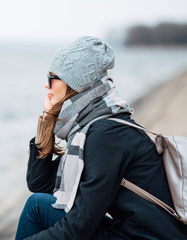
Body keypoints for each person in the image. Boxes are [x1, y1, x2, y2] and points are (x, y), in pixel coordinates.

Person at [15, 36, 187, 239]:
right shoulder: (93, 128)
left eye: (51, 77)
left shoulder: (107, 135)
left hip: (142, 236)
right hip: (128, 231)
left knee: (37, 211)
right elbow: (40, 184)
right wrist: (46, 122)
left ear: (75, 83)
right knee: (37, 205)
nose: (46, 85)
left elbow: (78, 228)